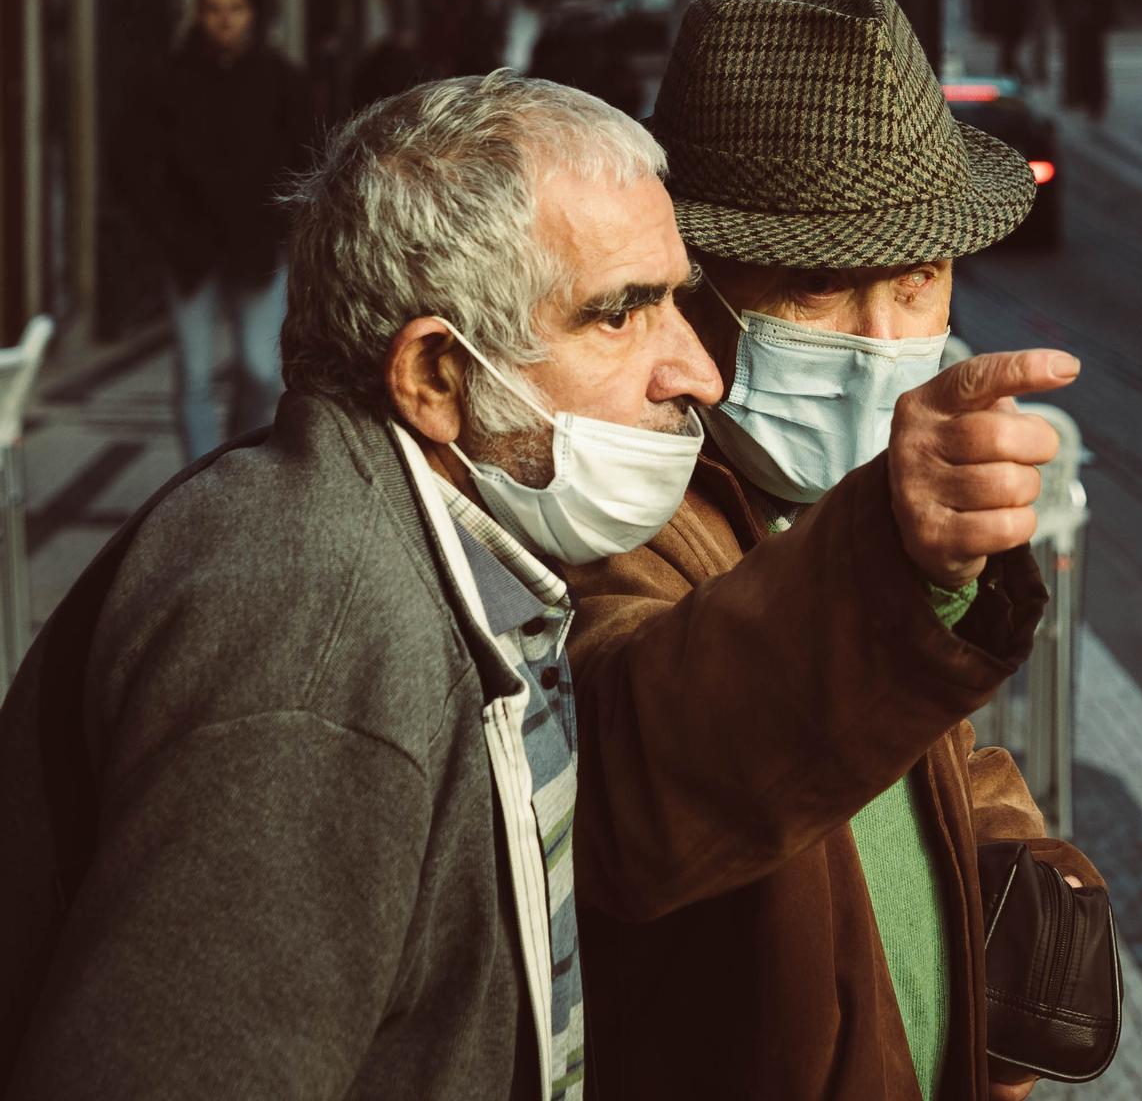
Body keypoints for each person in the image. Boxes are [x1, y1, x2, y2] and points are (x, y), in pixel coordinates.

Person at [5, 66, 1067, 1098]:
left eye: (675, 302)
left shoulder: (417, 556)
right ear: (436, 376)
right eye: (621, 313)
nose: (696, 372)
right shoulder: (320, 634)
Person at [565, 0, 1104, 1101]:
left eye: (915, 288)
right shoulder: (619, 503)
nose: (880, 344)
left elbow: (922, 753)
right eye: (815, 290)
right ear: (694, 285)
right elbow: (641, 774)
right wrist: (890, 558)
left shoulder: (830, 507)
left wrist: (1009, 877)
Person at [119, 0, 315, 461]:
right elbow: (134, 162)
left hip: (257, 244)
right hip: (190, 248)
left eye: (235, 9)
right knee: (194, 373)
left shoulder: (280, 78)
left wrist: (286, 224)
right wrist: (165, 227)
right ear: (198, 14)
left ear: (251, 14)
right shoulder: (167, 78)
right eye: (214, 9)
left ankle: (237, 459)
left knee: (260, 368)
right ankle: (199, 475)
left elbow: (306, 153)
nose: (224, 20)